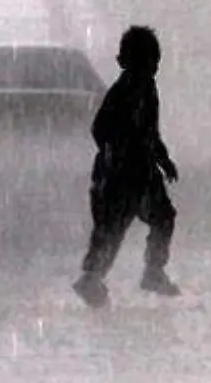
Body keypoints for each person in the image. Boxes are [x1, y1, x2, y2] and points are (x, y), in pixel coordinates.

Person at [73, 25, 180, 308]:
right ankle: (94, 279)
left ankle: (148, 272)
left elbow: (151, 131)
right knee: (112, 231)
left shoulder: (147, 88)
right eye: (146, 63)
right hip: (121, 174)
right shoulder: (122, 91)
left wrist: (163, 159)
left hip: (139, 172)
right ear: (124, 63)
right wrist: (115, 153)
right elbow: (99, 128)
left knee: (159, 219)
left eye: (155, 63)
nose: (152, 69)